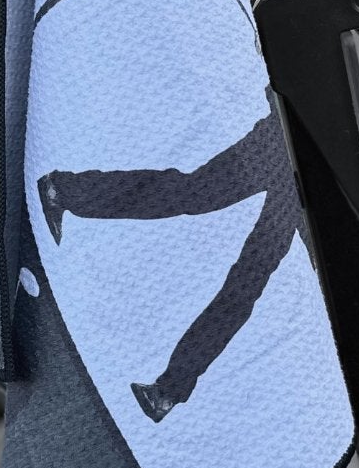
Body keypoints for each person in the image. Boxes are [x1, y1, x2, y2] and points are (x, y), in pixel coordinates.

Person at [38, 103, 301, 423]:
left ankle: (167, 392)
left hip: (307, 182)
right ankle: (62, 190)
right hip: (283, 139)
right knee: (192, 194)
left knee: (245, 283)